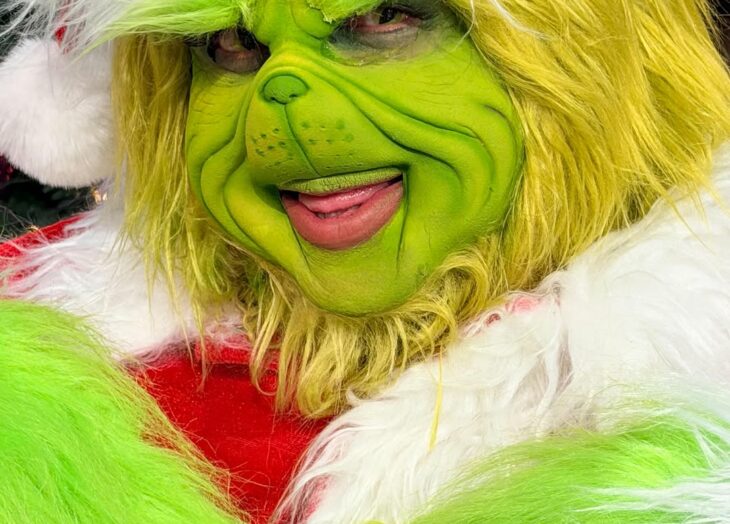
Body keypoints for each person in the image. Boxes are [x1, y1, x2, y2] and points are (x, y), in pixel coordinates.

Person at [1, 0, 729, 522]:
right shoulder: (32, 331)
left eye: (383, 18)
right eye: (230, 45)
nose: (280, 102)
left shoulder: (688, 402)